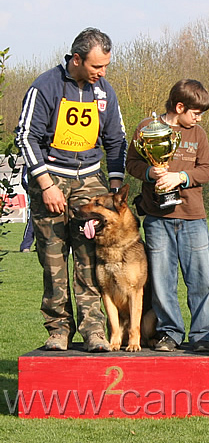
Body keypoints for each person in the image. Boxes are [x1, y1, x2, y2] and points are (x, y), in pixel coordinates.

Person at [14, 28, 126, 352]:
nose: (102, 74)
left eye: (105, 67)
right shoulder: (45, 86)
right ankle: (58, 328)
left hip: (90, 181)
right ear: (77, 59)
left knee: (89, 257)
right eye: (96, 67)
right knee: (53, 259)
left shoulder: (105, 92)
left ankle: (94, 329)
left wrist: (115, 183)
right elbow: (26, 137)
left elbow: (116, 139)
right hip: (50, 180)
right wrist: (46, 185)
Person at [126, 79, 209, 352]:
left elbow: (207, 171)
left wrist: (182, 177)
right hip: (157, 219)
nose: (198, 118)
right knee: (163, 281)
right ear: (179, 106)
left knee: (200, 280)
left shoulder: (197, 134)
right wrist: (150, 172)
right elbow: (131, 163)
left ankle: (203, 335)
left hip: (193, 218)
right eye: (195, 113)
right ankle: (170, 333)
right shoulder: (146, 128)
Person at [19, 164, 35, 252]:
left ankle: (40, 246)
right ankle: (25, 245)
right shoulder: (28, 165)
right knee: (32, 220)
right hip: (34, 196)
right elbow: (24, 180)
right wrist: (31, 191)